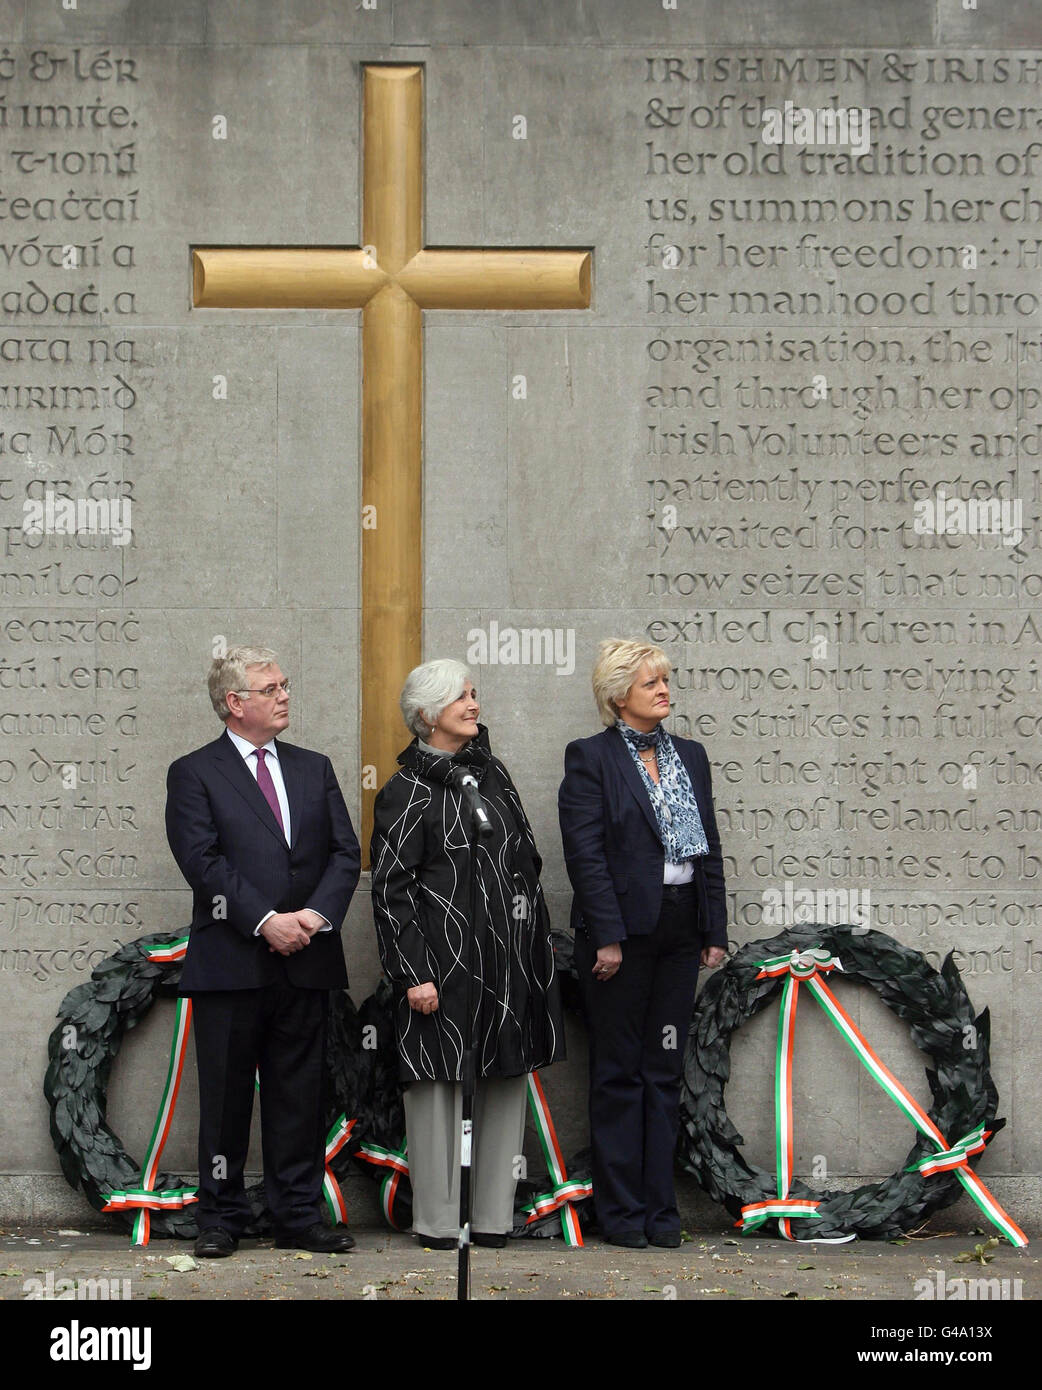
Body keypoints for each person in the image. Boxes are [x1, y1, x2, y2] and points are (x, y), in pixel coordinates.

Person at [165, 645, 360, 1257]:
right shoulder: (194, 772)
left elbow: (344, 854)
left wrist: (313, 917)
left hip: (306, 961)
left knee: (298, 1098)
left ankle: (296, 1217)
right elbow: (202, 860)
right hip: (232, 964)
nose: (284, 696)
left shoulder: (313, 766)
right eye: (270, 688)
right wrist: (265, 920)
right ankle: (220, 1218)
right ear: (235, 702)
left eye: (285, 684)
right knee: (224, 1102)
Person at [370, 659, 564, 1249]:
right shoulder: (405, 791)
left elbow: (526, 857)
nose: (473, 704)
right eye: (460, 698)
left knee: (504, 1081)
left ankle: (492, 1219)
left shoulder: (494, 776)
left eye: (474, 694)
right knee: (437, 1089)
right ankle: (435, 1221)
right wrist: (412, 974)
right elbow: (390, 892)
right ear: (428, 716)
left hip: (506, 967)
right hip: (440, 968)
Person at [558, 638, 728, 1249]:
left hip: (681, 932)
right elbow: (586, 854)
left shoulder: (691, 754)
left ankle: (662, 1213)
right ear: (617, 696)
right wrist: (607, 937)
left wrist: (714, 930)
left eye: (665, 679)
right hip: (621, 938)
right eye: (651, 682)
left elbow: (706, 843)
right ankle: (622, 1215)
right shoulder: (590, 758)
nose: (665, 690)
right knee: (618, 1074)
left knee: (663, 1070)